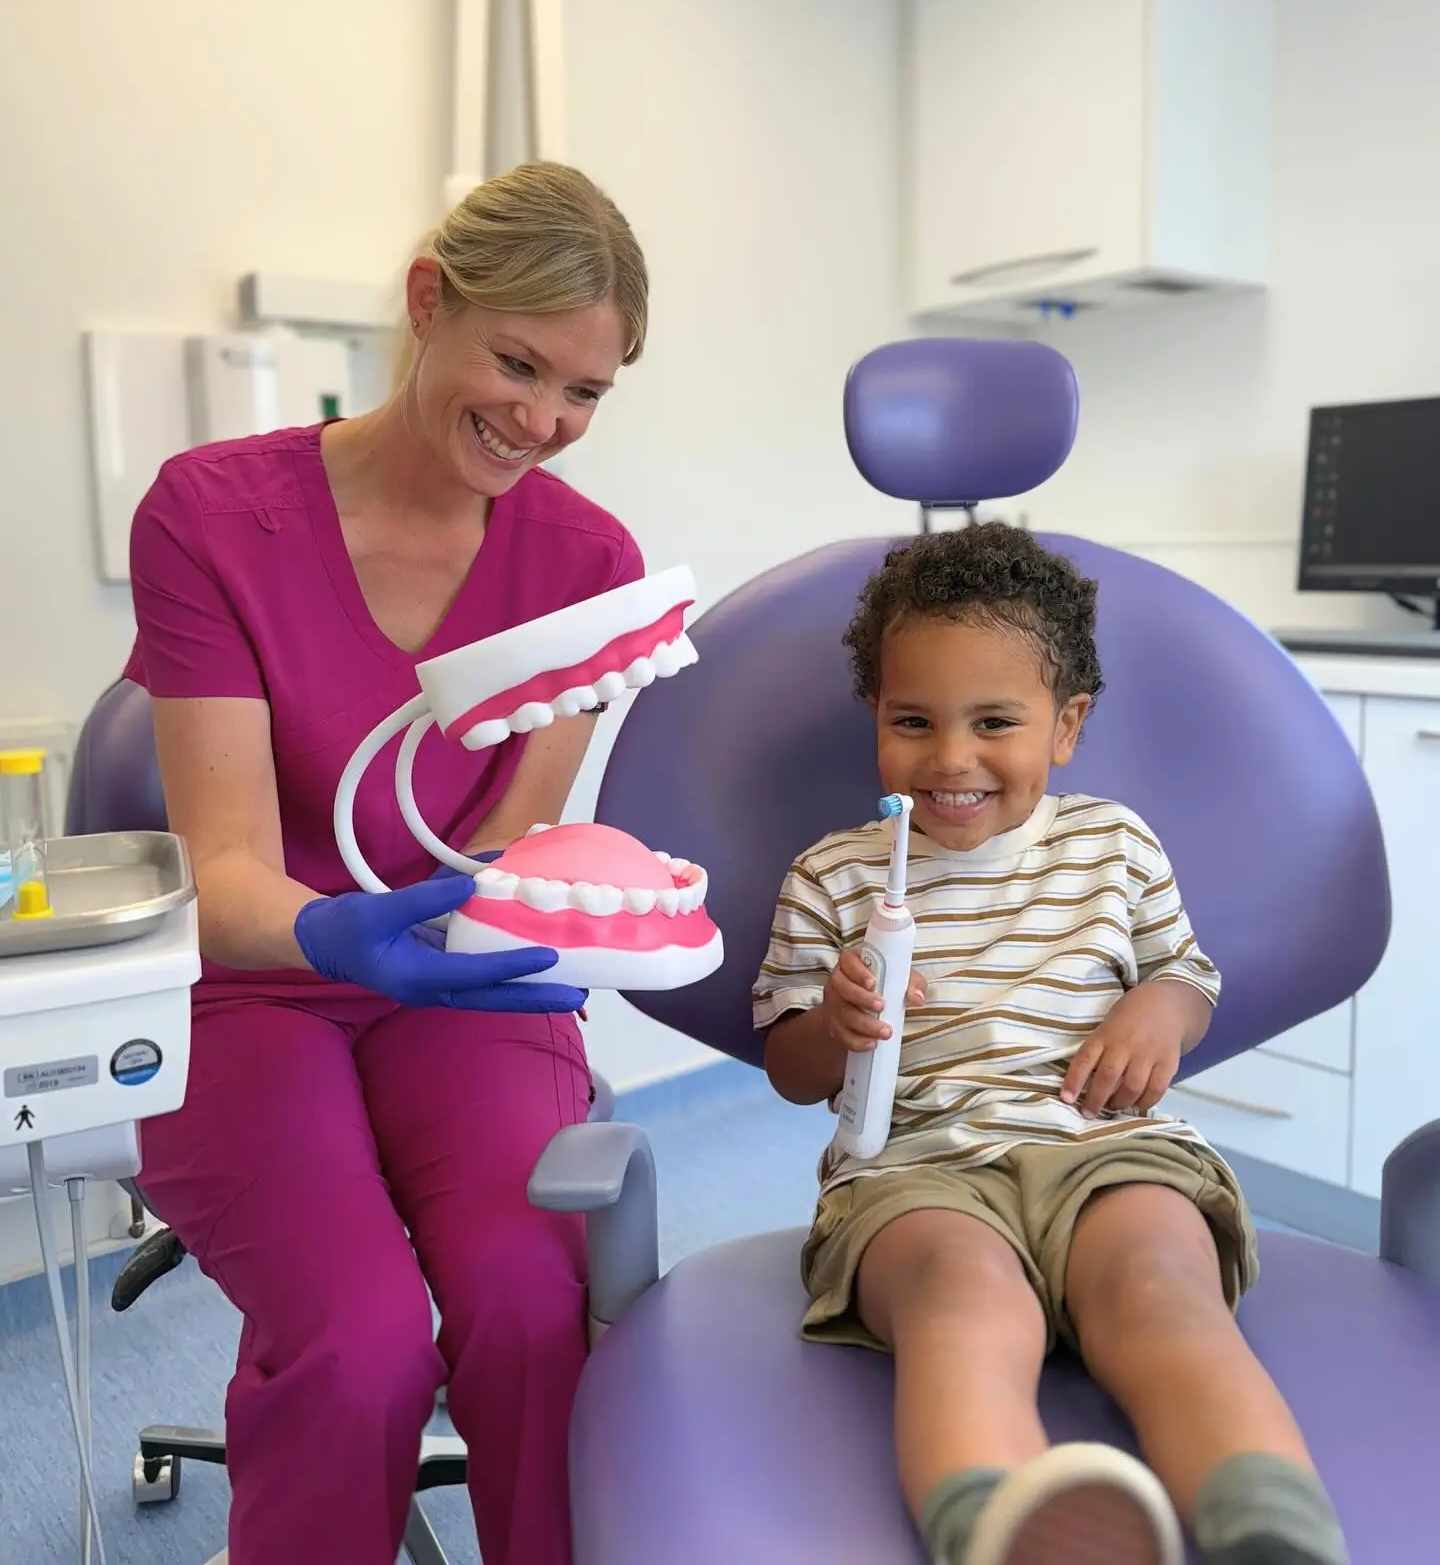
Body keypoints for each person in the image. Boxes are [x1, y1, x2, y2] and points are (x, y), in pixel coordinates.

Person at [126, 161, 650, 1565]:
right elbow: (229, 869)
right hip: (257, 984)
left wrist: (566, 901)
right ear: (431, 303)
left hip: (465, 981)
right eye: (519, 362)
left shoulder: (591, 562)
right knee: (358, 1346)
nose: (543, 420)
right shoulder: (213, 517)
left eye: (586, 393)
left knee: (533, 1310)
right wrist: (333, 933)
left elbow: (503, 846)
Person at [752, 524, 1349, 1565]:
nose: (950, 759)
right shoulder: (835, 876)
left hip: (1107, 1150)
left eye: (995, 722)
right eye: (912, 721)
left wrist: (1161, 1008)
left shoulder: (1113, 844)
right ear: (874, 718)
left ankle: (1273, 1527)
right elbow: (789, 1069)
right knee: (961, 1303)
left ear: (1066, 724)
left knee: (1162, 1289)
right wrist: (833, 1029)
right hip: (915, 1177)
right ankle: (995, 1526)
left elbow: (1187, 974)